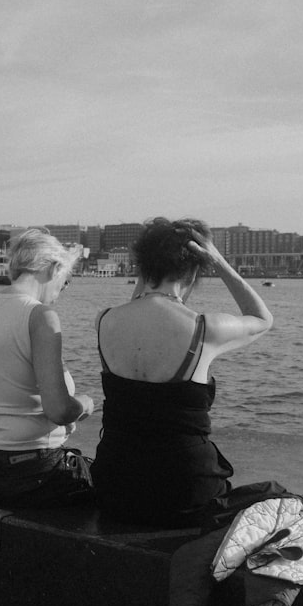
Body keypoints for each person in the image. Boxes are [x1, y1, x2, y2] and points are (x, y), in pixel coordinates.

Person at [90, 217, 275, 528]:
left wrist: (147, 271)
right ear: (193, 271)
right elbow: (262, 318)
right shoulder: (205, 329)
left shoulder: (104, 320)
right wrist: (217, 261)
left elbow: (139, 303)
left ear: (143, 268)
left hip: (114, 486)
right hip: (186, 490)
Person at [0, 229, 95, 508]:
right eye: (64, 282)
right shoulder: (41, 316)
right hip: (30, 470)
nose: (59, 293)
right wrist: (86, 404)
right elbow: (58, 411)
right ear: (54, 268)